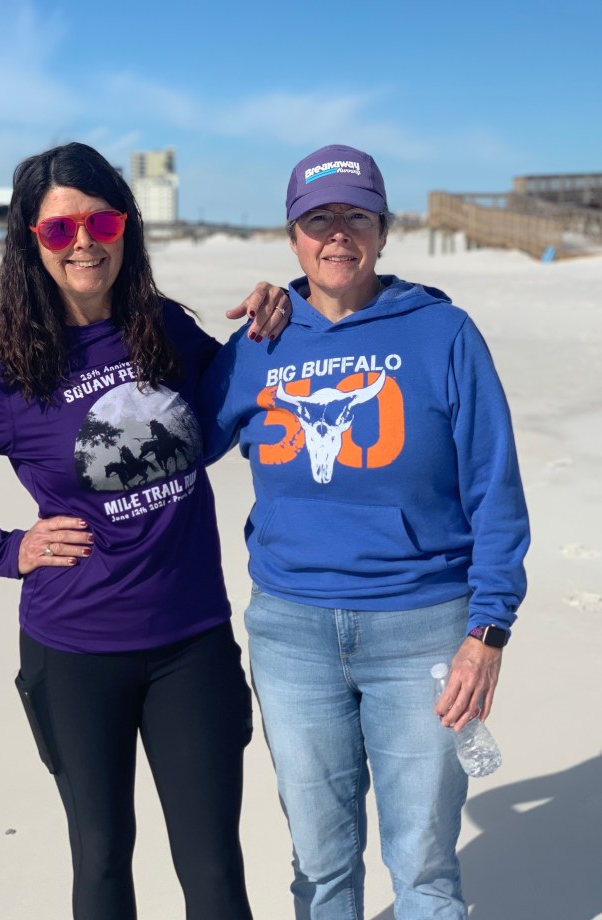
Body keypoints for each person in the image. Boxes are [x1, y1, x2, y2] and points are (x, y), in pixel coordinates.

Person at [0, 141, 290, 920]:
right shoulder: (8, 371)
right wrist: (7, 550)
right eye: (58, 229)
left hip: (192, 643)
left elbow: (222, 411)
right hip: (75, 652)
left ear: (125, 227)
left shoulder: (165, 329)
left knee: (214, 870)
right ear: (30, 244)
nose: (83, 242)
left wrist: (275, 318)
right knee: (103, 859)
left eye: (101, 222)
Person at [200, 144, 530, 919]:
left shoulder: (444, 334)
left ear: (384, 230)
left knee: (424, 869)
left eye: (357, 216)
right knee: (319, 867)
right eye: (319, 219)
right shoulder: (260, 344)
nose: (338, 234)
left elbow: (495, 487)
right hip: (291, 635)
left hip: (425, 631)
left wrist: (488, 631)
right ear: (292, 236)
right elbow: (177, 435)